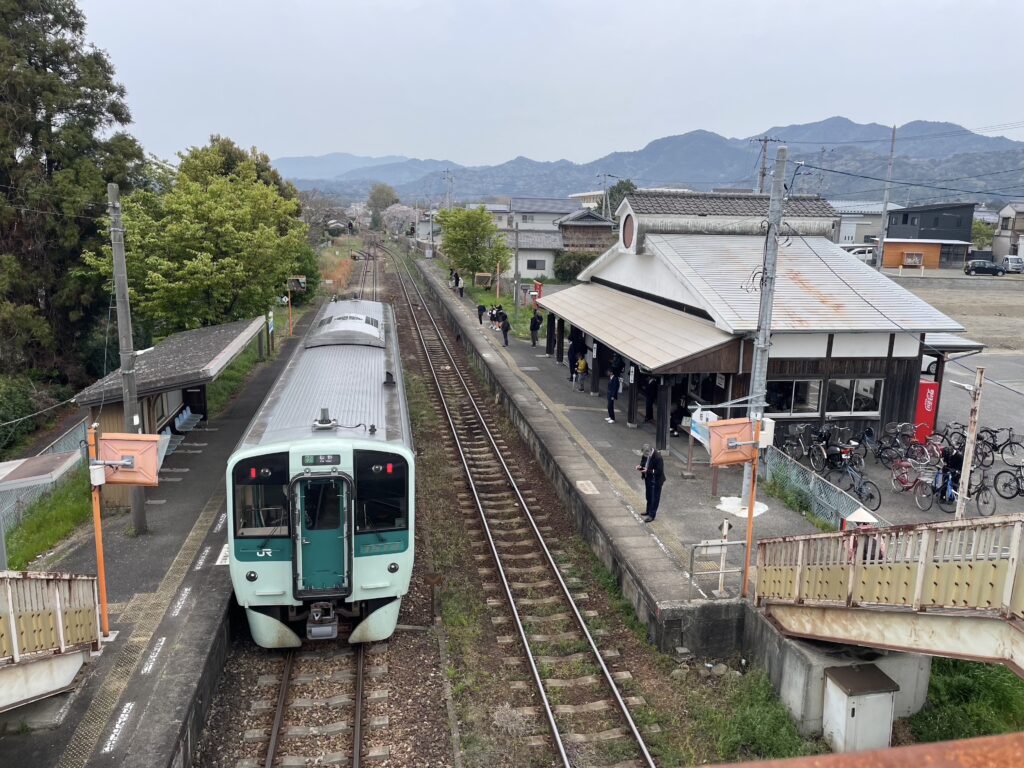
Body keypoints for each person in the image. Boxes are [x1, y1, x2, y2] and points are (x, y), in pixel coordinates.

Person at [636, 445, 666, 522]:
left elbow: (659, 471)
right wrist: (640, 466)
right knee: (648, 495)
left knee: (655, 498)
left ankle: (652, 515)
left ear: (649, 451)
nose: (645, 456)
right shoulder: (646, 454)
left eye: (646, 454)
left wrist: (647, 471)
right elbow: (643, 462)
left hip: (656, 480)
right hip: (648, 478)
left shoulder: (658, 457)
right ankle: (648, 510)